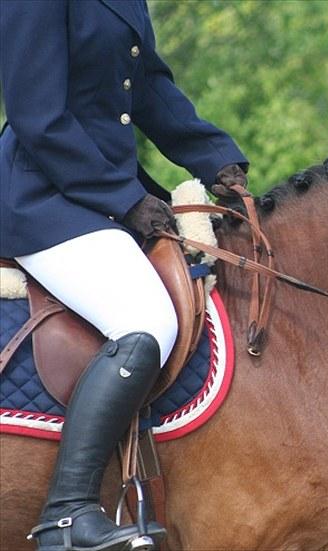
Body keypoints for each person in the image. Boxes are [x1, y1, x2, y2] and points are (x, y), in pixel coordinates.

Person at [0, 1, 248, 549]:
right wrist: (125, 200)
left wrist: (215, 157)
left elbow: (150, 84)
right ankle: (67, 514)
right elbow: (37, 116)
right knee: (146, 319)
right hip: (44, 199)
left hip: (98, 198)